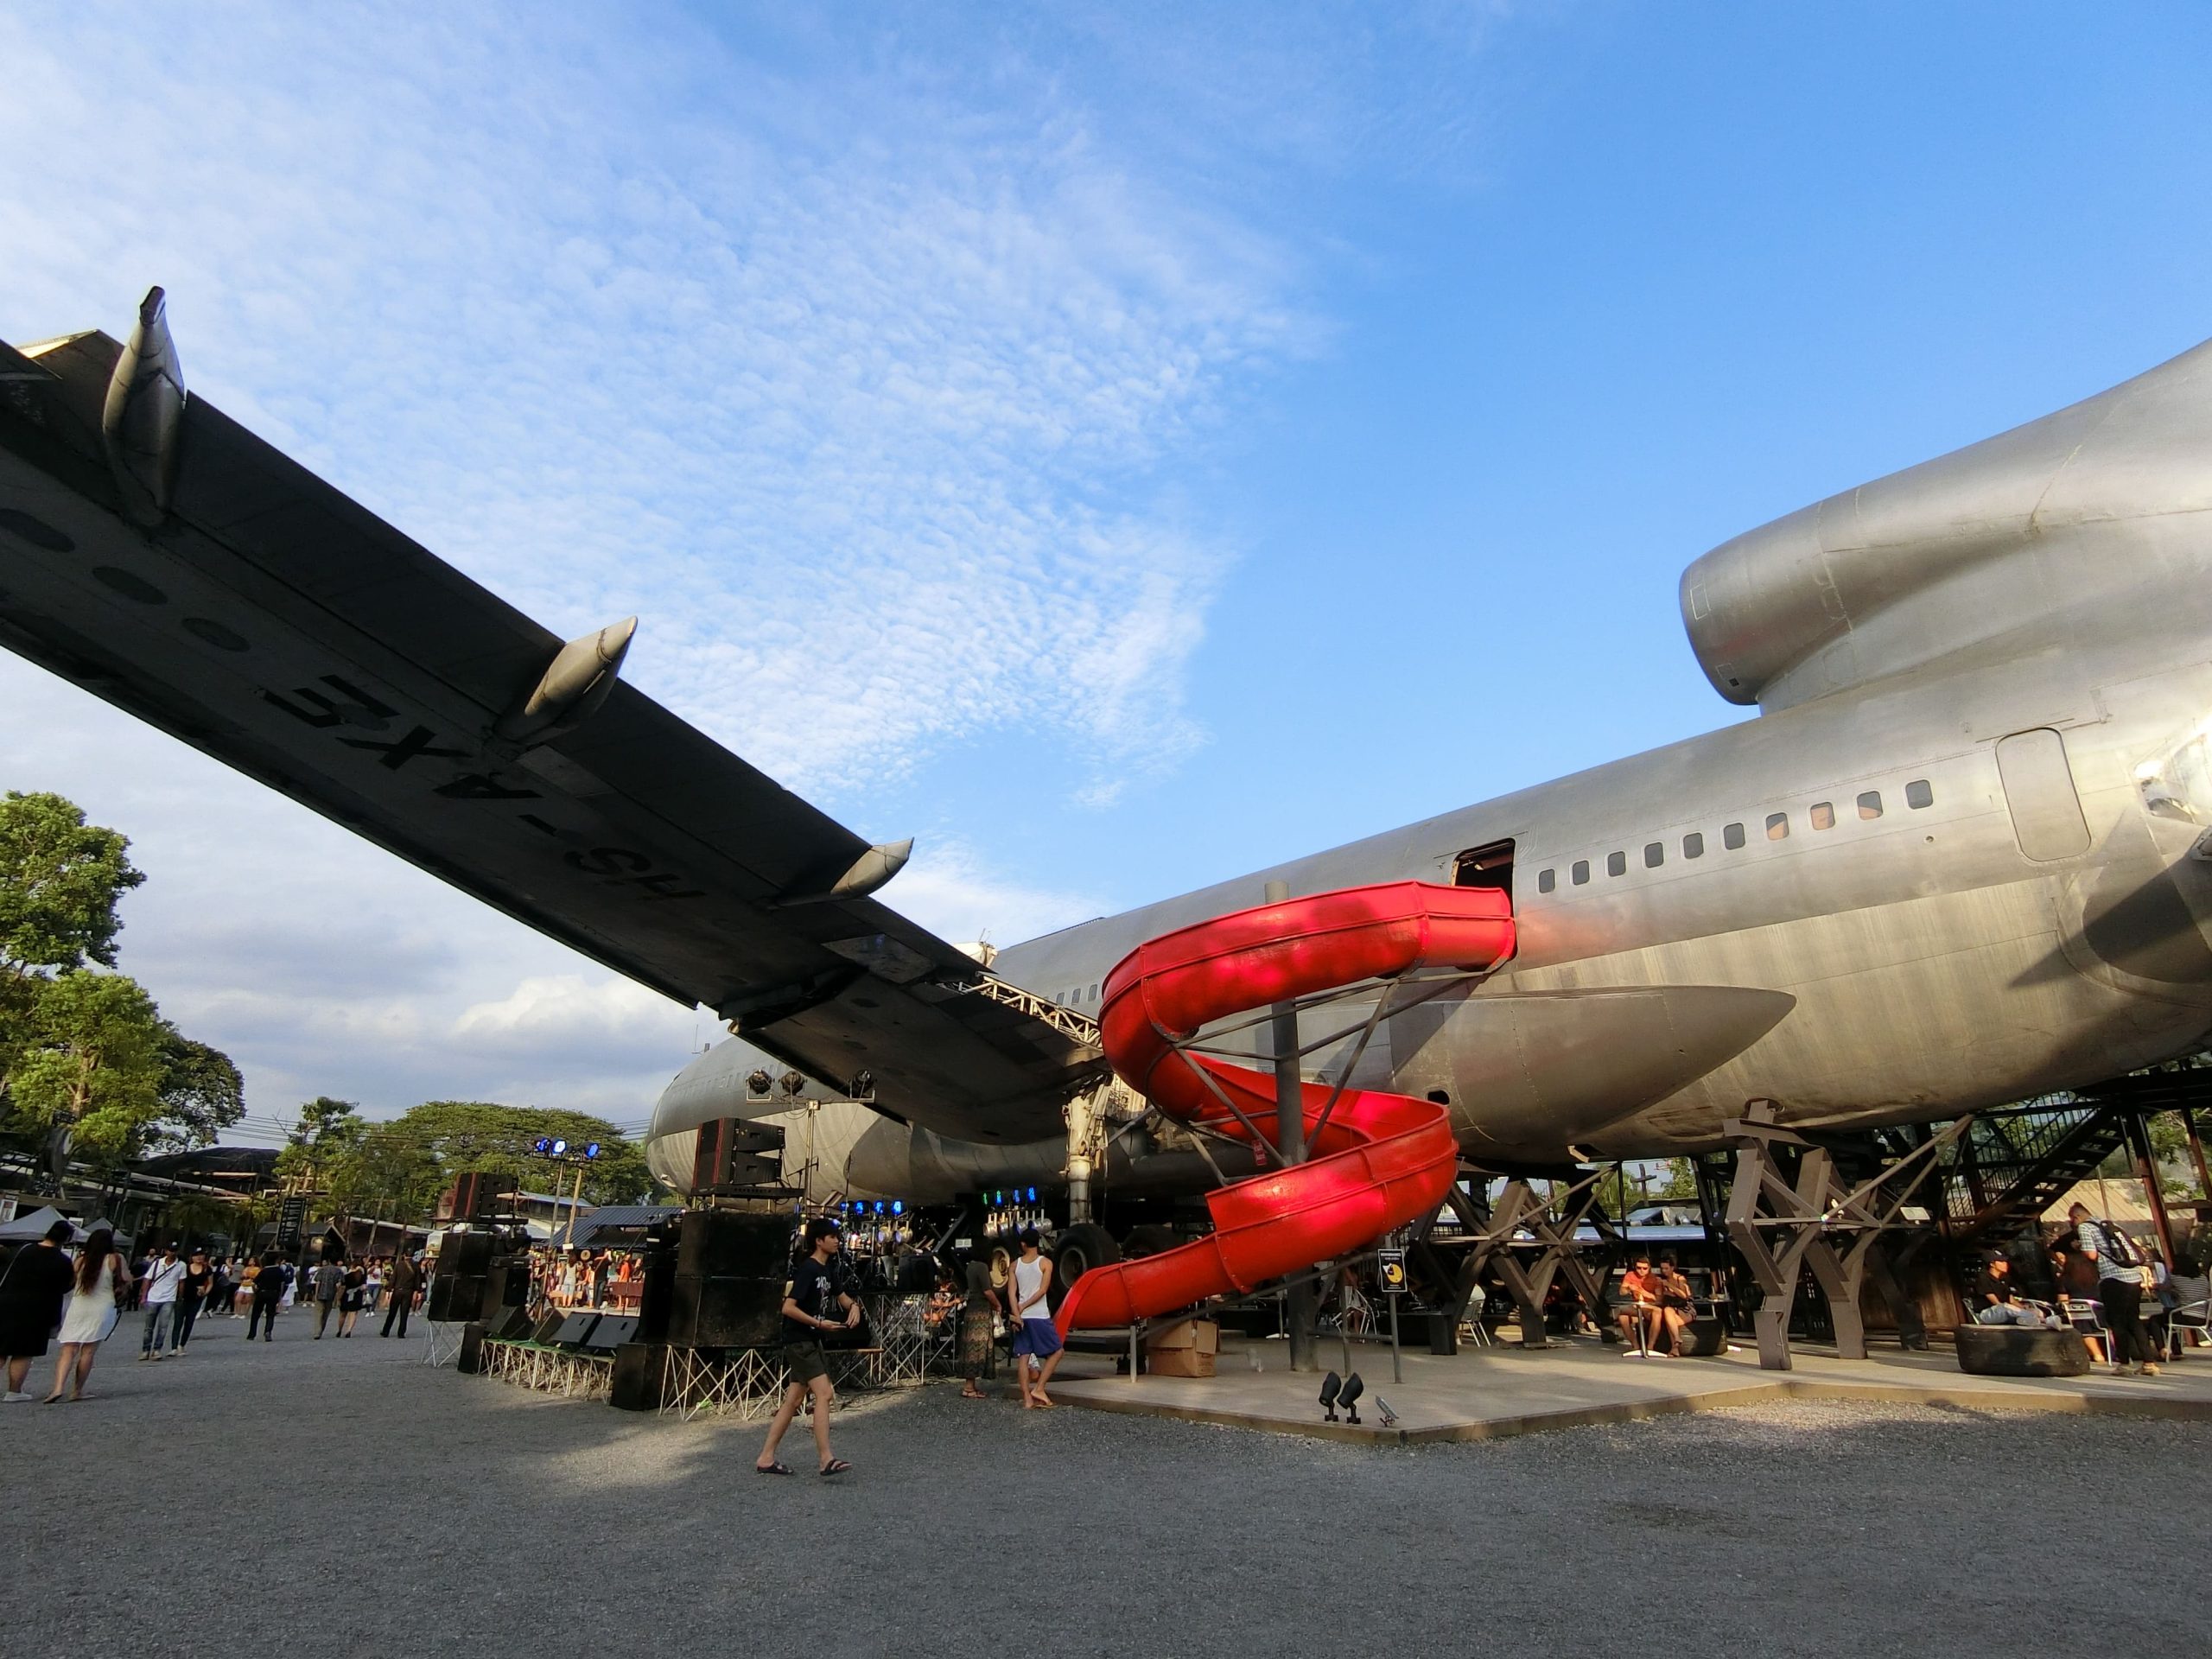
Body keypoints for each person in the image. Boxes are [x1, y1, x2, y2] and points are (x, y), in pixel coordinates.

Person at [755, 1218, 859, 1478]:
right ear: (818, 1241)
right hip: (799, 1339)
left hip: (811, 1339)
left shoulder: (829, 1270)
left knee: (793, 1400)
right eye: (831, 1236)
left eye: (837, 1236)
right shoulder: (808, 1270)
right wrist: (819, 1323)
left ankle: (766, 1457)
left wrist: (854, 1307)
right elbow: (788, 1307)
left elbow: (842, 1296)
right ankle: (826, 1459)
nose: (837, 1240)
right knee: (824, 1394)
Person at [2070, 1201, 2159, 1376]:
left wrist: (2079, 1247)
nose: (2072, 1223)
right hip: (2133, 1277)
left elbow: (2091, 1254)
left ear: (2077, 1217)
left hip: (2112, 1278)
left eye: (2071, 1220)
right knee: (2133, 1319)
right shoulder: (2109, 1225)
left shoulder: (2085, 1228)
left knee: (2117, 1322)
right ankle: (2149, 1363)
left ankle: (2125, 1364)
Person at [1, 1219, 80, 1402]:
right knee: (23, 1351)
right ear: (65, 1239)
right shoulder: (63, 1261)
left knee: (1, 1348)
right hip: (37, 1310)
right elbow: (65, 1287)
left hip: (7, 1302)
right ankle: (14, 1391)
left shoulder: (23, 1250)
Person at [50, 1224, 131, 1402]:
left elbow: (70, 1281)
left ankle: (57, 1389)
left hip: (78, 1307)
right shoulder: (116, 1259)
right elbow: (126, 1279)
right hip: (102, 1308)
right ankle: (76, 1390)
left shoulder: (81, 1260)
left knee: (67, 1350)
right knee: (88, 1352)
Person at [1007, 1229, 1065, 1408]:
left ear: (1023, 1244)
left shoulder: (1015, 1266)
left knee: (1023, 1357)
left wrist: (1017, 1312)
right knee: (1057, 1351)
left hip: (1021, 1316)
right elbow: (1043, 1290)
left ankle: (1027, 1399)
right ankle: (1039, 1388)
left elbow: (1011, 1293)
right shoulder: (1045, 1263)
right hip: (1039, 1315)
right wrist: (1024, 1306)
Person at [957, 1246, 1001, 1400]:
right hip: (981, 1310)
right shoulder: (982, 1267)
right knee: (978, 1347)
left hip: (971, 1308)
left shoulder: (970, 1266)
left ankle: (970, 1385)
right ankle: (969, 1387)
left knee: (971, 1346)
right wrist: (997, 1304)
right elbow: (987, 1291)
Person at [139, 1243, 185, 1361]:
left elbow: (181, 1283)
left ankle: (157, 1349)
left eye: (174, 1251)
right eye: (170, 1250)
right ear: (166, 1251)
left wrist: (179, 1297)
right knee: (149, 1327)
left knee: (163, 1327)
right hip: (153, 1297)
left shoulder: (181, 1265)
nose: (172, 1253)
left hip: (169, 1298)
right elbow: (147, 1279)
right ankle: (145, 1350)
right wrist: (144, 1296)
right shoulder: (157, 1263)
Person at [1616, 1255, 1662, 1352]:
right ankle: (1635, 1345)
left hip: (1650, 1306)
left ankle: (1650, 1346)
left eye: (1644, 1268)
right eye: (1638, 1268)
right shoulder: (1630, 1275)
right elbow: (1621, 1292)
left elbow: (1659, 1299)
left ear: (1649, 1268)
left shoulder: (1655, 1279)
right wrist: (1629, 1288)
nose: (1641, 1270)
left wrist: (1647, 1294)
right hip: (1637, 1305)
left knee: (1657, 1312)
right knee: (1622, 1317)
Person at [1655, 1255, 1698, 1354]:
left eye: (1666, 1268)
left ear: (1672, 1268)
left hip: (1686, 1308)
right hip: (1672, 1308)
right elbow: (1660, 1299)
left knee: (1670, 1321)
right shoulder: (1662, 1280)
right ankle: (1676, 1343)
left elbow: (1684, 1296)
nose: (1664, 1271)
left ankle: (1675, 1347)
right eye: (1662, 1269)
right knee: (1668, 1315)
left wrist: (1669, 1285)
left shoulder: (1680, 1278)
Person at [172, 1251, 212, 1354]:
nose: (199, 1257)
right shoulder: (186, 1267)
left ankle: (182, 1344)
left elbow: (211, 1283)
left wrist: (205, 1293)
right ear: (192, 1257)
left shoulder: (207, 1269)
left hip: (196, 1299)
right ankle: (174, 1346)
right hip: (183, 1297)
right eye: (196, 1255)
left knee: (189, 1322)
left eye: (201, 1255)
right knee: (178, 1322)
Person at [246, 1253, 284, 1342]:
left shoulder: (263, 1271)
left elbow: (254, 1283)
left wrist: (255, 1291)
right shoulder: (279, 1271)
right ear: (276, 1261)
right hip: (274, 1293)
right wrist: (280, 1296)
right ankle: (268, 1331)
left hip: (262, 1293)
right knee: (270, 1314)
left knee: (256, 1314)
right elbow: (283, 1284)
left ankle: (252, 1333)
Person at [382, 1250, 420, 1338]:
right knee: (404, 1313)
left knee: (392, 1312)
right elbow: (417, 1280)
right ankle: (401, 1333)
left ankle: (386, 1331)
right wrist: (417, 1291)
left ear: (404, 1255)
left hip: (398, 1290)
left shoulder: (399, 1265)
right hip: (408, 1291)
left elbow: (393, 1278)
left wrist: (389, 1288)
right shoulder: (415, 1266)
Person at [311, 1253, 345, 1338]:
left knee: (318, 1313)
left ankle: (317, 1331)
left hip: (320, 1293)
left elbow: (318, 1282)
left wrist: (316, 1293)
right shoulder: (339, 1271)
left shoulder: (322, 1269)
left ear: (329, 1261)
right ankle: (321, 1330)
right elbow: (339, 1284)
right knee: (326, 1314)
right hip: (331, 1294)